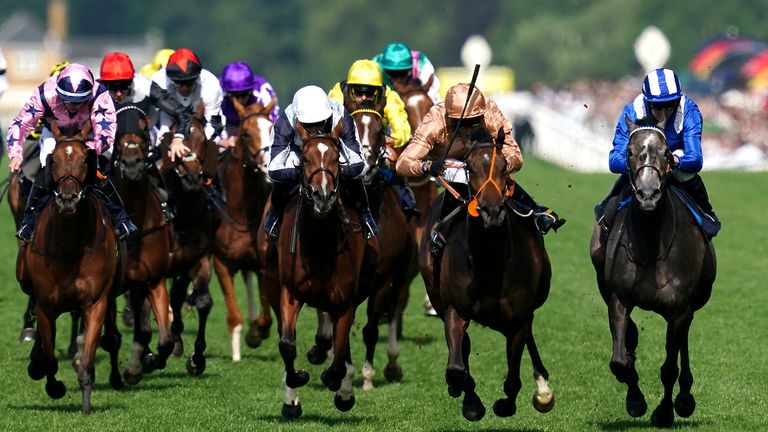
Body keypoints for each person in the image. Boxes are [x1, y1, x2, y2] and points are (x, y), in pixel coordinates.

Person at [396, 83, 566, 257]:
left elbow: (515, 155)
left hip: (484, 163)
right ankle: (439, 234)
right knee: (460, 179)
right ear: (450, 117)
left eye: (474, 122)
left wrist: (501, 166)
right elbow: (402, 163)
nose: (469, 129)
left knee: (495, 181)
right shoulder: (436, 120)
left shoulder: (489, 112)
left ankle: (536, 213)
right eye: (462, 123)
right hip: (447, 166)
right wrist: (427, 166)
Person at [6, 63, 138, 242]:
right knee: (48, 165)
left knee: (93, 166)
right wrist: (15, 153)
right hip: (54, 132)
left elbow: (106, 131)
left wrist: (92, 148)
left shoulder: (99, 94)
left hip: (87, 134)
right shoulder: (45, 93)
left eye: (78, 102)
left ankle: (121, 219)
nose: (73, 105)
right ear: (58, 91)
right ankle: (28, 223)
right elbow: (21, 123)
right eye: (67, 100)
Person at [594, 68, 720, 240]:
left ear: (678, 100)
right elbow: (614, 161)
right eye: (658, 106)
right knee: (605, 223)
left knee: (688, 175)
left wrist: (675, 161)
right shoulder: (632, 112)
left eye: (670, 105)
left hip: (674, 159)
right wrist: (640, 163)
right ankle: (603, 233)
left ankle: (706, 217)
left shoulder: (689, 110)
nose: (664, 112)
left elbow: (696, 159)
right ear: (647, 103)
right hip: (641, 164)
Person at [263, 85, 376, 241]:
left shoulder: (341, 116)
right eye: (309, 125)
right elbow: (274, 171)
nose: (315, 129)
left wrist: (336, 170)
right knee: (288, 167)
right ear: (297, 118)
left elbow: (359, 165)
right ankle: (274, 214)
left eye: (320, 123)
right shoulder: (285, 122)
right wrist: (300, 171)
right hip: (299, 151)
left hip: (332, 150)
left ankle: (365, 213)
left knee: (350, 170)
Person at [328, 59, 419, 218]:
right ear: (350, 90)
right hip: (345, 144)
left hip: (376, 144)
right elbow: (329, 128)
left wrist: (379, 140)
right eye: (358, 92)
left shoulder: (389, 96)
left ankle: (406, 203)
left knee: (393, 168)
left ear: (378, 91)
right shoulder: (337, 94)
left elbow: (403, 132)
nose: (364, 98)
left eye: (369, 93)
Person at [151, 48, 225, 204]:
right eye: (179, 83)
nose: (184, 88)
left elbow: (212, 126)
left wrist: (200, 154)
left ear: (197, 77)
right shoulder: (158, 81)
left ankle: (216, 190)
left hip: (204, 118)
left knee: (212, 142)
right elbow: (163, 122)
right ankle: (164, 190)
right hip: (169, 116)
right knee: (162, 141)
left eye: (188, 82)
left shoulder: (211, 84)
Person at [100, 52, 192, 153]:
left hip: (147, 136)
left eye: (124, 86)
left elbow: (183, 113)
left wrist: (178, 138)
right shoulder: (96, 89)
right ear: (104, 82)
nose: (118, 94)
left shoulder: (146, 86)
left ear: (132, 79)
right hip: (108, 138)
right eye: (113, 88)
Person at [218, 61, 279, 148]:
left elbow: (272, 121)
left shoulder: (262, 90)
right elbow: (212, 123)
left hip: (255, 128)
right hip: (227, 126)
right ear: (226, 91)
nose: (240, 100)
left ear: (251, 89)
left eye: (244, 94)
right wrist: (222, 141)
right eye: (234, 95)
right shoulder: (217, 92)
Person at [374, 42, 441, 104]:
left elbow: (433, 99)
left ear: (410, 69)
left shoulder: (422, 66)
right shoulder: (376, 67)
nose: (398, 79)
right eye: (393, 74)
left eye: (403, 73)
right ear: (385, 69)